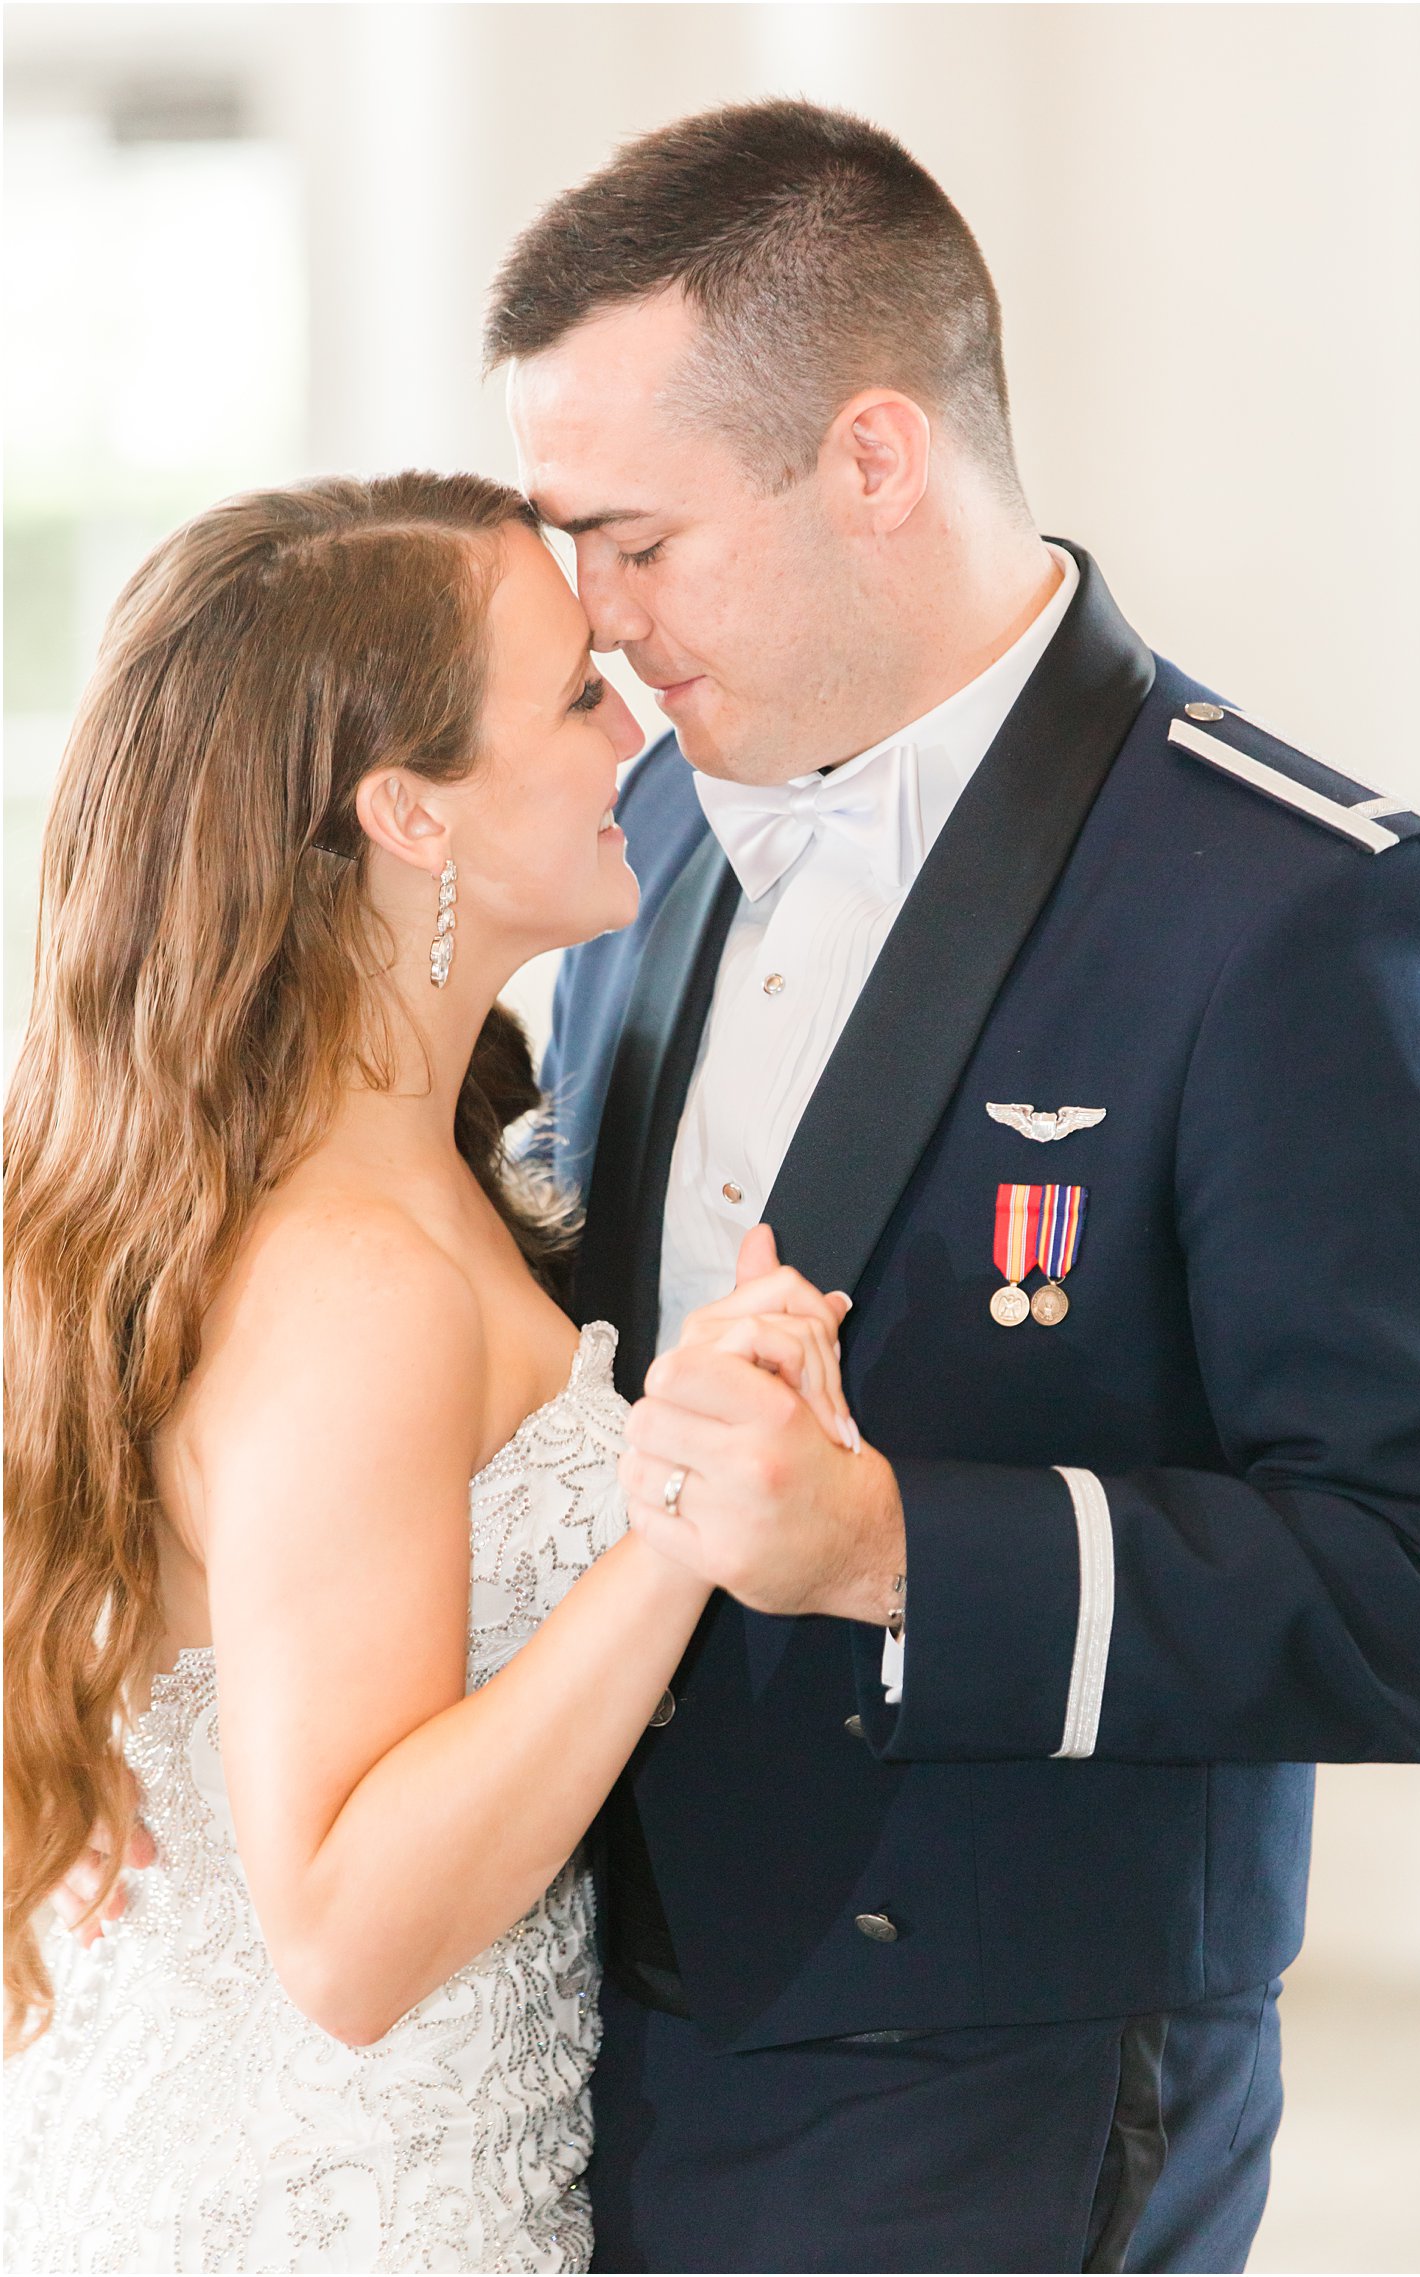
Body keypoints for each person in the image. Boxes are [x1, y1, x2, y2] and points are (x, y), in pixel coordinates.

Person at [481, 99, 1420, 2273]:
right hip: (577, 2017)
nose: (593, 622)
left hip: (991, 2064)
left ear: (872, 457)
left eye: (637, 540)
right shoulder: (634, 830)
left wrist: (888, 1548)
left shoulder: (1301, 910)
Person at [2, 470, 857, 2274]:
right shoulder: (356, 1278)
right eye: (567, 694)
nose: (631, 716)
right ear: (408, 812)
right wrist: (680, 1531)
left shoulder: (393, 1168)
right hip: (338, 2214)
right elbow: (345, 1934)